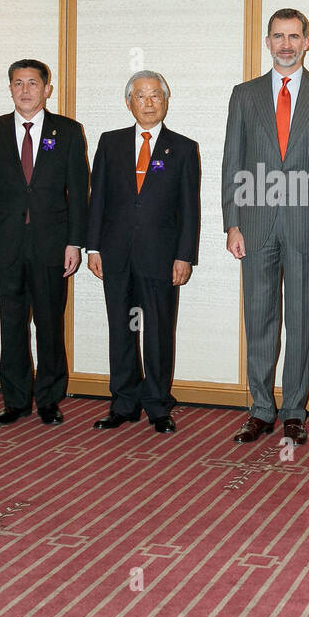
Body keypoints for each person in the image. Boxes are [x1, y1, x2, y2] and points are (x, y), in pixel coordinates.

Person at [221, 8, 309, 445]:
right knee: (259, 321)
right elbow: (232, 163)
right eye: (279, 36)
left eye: (295, 36)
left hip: (307, 227)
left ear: (307, 41)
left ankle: (294, 410)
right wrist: (232, 223)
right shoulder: (244, 94)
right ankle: (260, 408)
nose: (287, 44)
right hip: (254, 226)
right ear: (268, 41)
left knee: (300, 321)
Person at [0, 59, 89, 427]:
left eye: (33, 83)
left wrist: (75, 242)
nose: (26, 90)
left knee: (50, 324)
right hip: (5, 243)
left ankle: (50, 399)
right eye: (18, 83)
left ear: (47, 89)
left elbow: (79, 192)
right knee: (12, 324)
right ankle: (16, 400)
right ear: (9, 88)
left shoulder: (68, 131)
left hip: (52, 244)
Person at [87, 70, 200, 435]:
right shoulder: (110, 142)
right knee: (121, 328)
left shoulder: (183, 148)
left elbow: (190, 208)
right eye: (141, 96)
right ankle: (123, 403)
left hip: (162, 257)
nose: (148, 103)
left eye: (156, 96)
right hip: (116, 253)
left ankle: (156, 403)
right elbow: (98, 199)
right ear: (128, 102)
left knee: (158, 332)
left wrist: (184, 255)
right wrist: (93, 247)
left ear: (166, 102)